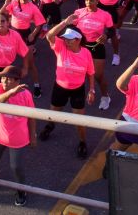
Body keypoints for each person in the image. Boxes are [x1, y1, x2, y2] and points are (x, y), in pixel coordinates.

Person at [38, 17, 96, 158]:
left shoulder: (86, 53)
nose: (66, 41)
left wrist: (92, 90)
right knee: (54, 114)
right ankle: (50, 126)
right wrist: (64, 23)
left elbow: (91, 72)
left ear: (78, 40)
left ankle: (82, 142)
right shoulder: (60, 47)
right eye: (65, 38)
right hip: (60, 88)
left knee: (79, 120)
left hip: (78, 90)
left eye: (69, 39)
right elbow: (49, 35)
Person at [0, 66, 36, 207]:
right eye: (3, 77)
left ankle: (21, 191)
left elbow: (32, 117)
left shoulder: (26, 95)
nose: (4, 81)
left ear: (17, 81)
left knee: (16, 167)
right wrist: (11, 93)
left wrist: (33, 136)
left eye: (8, 78)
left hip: (18, 138)